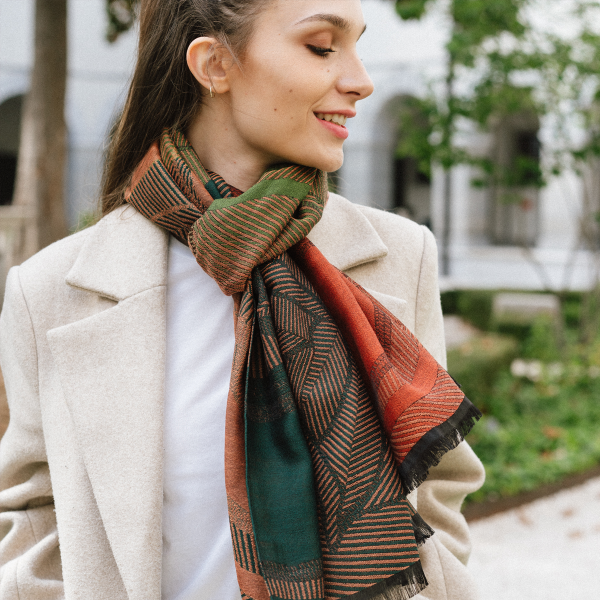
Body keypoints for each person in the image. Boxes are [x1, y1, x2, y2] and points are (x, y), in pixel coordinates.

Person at [0, 0, 485, 599]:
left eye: (359, 44)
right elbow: (34, 516)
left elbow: (437, 491)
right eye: (322, 46)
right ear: (214, 64)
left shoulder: (399, 256)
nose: (362, 80)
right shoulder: (48, 291)